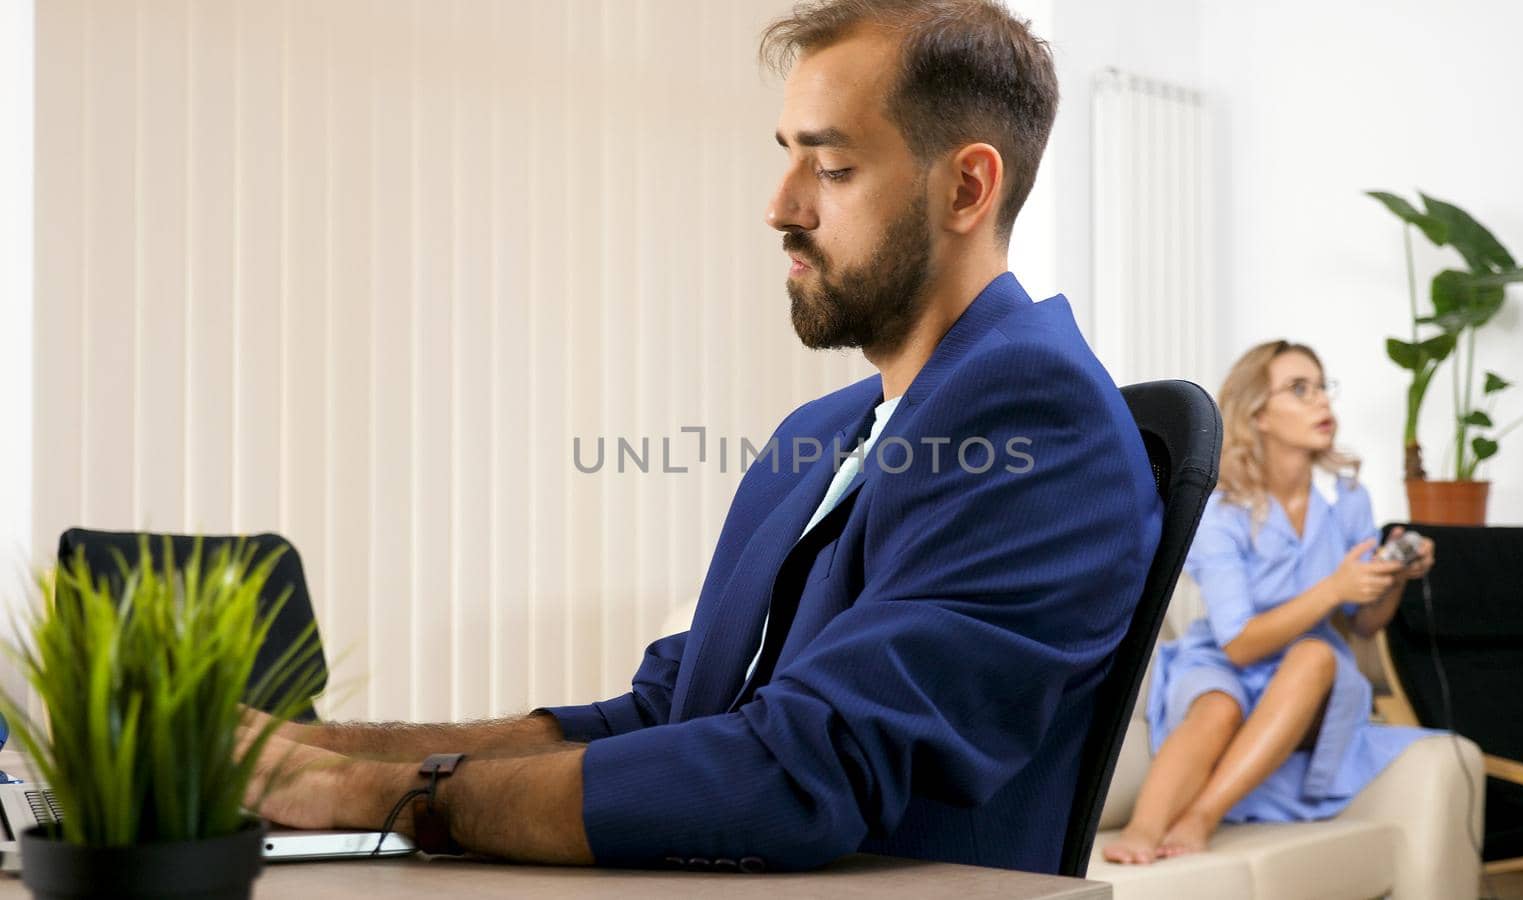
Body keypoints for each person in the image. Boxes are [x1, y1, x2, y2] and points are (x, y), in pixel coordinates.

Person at [242, 0, 1162, 875]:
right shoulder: (826, 433)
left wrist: (376, 796)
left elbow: (799, 776)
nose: (781, 206)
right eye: (786, 158)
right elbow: (671, 713)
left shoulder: (1039, 420)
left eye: (831, 168)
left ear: (966, 185)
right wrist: (312, 753)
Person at [1102, 340, 1439, 865]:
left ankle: (1201, 816)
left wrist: (1393, 578)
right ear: (1258, 413)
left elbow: (1367, 624)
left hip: (1307, 678)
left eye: (1322, 386)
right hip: (1225, 661)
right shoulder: (1219, 513)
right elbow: (1237, 645)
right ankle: (1145, 828)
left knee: (1316, 654)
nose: (1321, 401)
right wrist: (1335, 588)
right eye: (1299, 390)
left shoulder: (1348, 501)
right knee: (1217, 704)